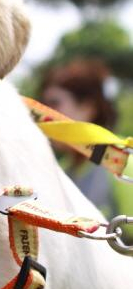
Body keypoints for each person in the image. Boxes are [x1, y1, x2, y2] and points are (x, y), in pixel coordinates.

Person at [39, 59, 133, 224]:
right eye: (43, 105)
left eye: (54, 104)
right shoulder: (60, 169)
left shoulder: (124, 162)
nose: (44, 115)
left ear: (88, 108)